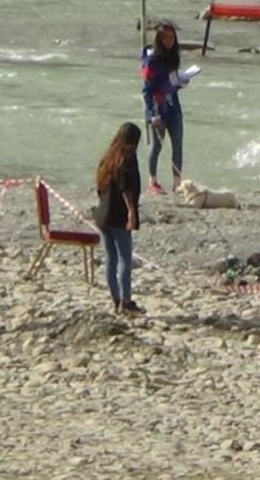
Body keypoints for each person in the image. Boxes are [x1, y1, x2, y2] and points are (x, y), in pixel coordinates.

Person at [95, 122, 144, 316]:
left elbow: (100, 187)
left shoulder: (107, 158)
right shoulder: (127, 159)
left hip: (103, 215)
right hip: (118, 215)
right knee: (124, 258)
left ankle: (116, 298)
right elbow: (126, 188)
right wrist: (131, 211)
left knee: (111, 258)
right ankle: (126, 301)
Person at [141, 20, 188, 194]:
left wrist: (180, 83)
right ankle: (152, 181)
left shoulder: (174, 57)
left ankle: (177, 183)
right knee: (157, 146)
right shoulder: (151, 61)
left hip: (174, 107)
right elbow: (147, 90)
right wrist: (152, 114)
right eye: (165, 38)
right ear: (159, 40)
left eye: (172, 38)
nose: (169, 41)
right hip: (158, 108)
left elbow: (172, 81)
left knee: (178, 145)